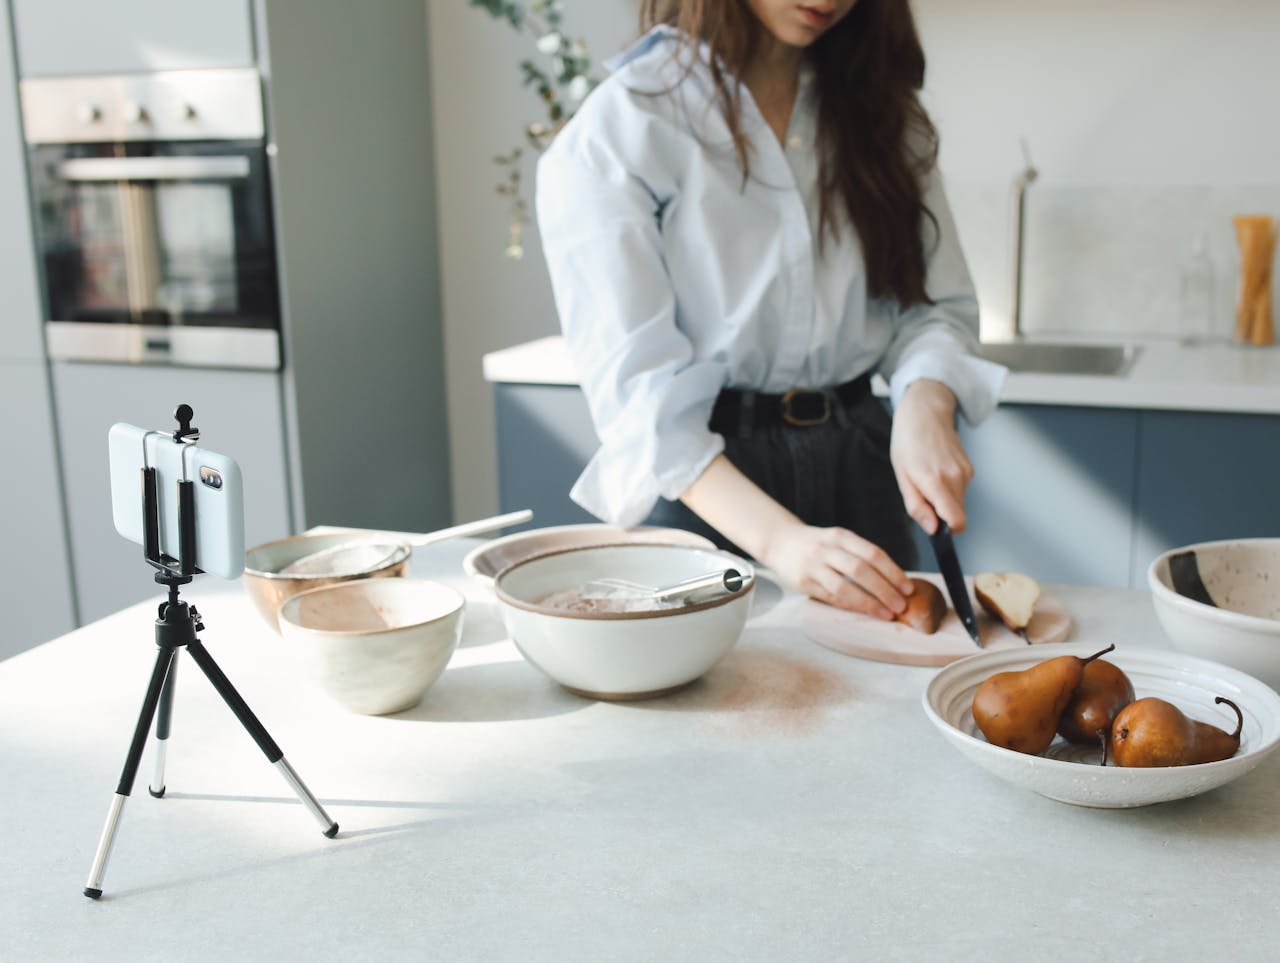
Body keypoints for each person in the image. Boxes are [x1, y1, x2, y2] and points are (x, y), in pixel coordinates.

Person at [534, 0, 1006, 621]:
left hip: (861, 461)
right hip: (705, 485)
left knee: (883, 703)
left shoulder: (882, 111)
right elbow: (639, 401)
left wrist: (925, 401)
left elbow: (934, 309)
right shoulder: (625, 126)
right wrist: (779, 541)